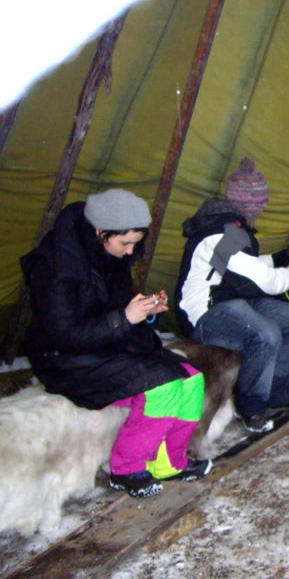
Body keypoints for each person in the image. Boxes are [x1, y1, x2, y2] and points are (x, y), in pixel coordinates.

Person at [21, 189, 212, 499]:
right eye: (125, 243)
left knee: (191, 378)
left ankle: (168, 463)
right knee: (162, 387)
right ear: (100, 232)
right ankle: (126, 469)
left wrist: (146, 312)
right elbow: (65, 334)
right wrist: (124, 318)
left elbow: (120, 307)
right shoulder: (55, 266)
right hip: (65, 360)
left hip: (106, 347)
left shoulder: (108, 256)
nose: (129, 252)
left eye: (135, 244)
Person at [175, 157, 289, 434]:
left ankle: (282, 397)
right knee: (264, 334)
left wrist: (270, 263)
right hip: (206, 313)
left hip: (233, 302)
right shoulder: (221, 233)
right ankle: (252, 407)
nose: (263, 206)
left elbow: (241, 271)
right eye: (259, 201)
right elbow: (264, 281)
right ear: (247, 204)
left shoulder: (234, 228)